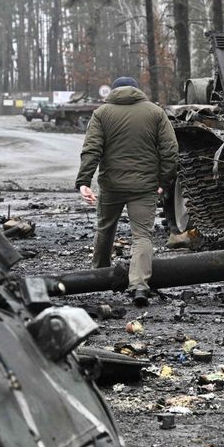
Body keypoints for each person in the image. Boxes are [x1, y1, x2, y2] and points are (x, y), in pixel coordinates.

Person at [76, 76, 178, 307]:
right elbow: (170, 150)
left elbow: (91, 149)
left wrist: (84, 181)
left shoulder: (101, 113)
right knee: (142, 235)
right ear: (136, 90)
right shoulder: (155, 112)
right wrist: (164, 180)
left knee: (105, 227)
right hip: (145, 187)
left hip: (111, 186)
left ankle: (99, 275)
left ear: (113, 91)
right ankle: (140, 285)